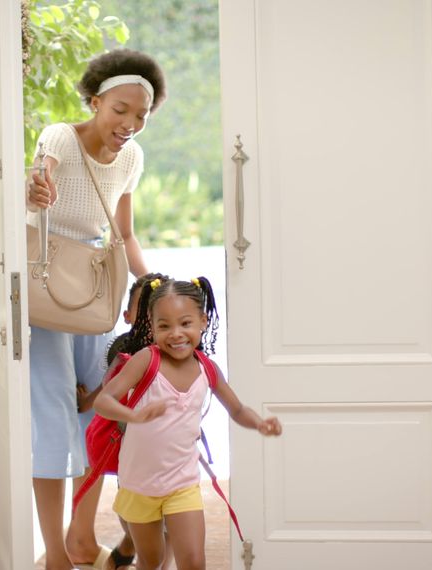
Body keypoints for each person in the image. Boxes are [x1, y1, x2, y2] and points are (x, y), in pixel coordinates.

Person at [25, 48, 167, 570]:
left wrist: (150, 285)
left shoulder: (131, 157)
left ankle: (82, 537)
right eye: (119, 110)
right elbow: (38, 187)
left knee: (94, 411)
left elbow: (123, 233)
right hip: (44, 283)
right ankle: (57, 555)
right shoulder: (61, 137)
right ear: (95, 100)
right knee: (51, 414)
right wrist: (36, 190)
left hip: (92, 289)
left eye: (140, 116)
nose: (129, 124)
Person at [93, 277, 283, 569]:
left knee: (194, 561)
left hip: (182, 484)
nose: (176, 334)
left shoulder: (207, 368)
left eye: (185, 323)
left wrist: (259, 424)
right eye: (164, 326)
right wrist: (132, 415)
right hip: (138, 484)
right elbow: (103, 401)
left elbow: (237, 409)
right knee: (152, 559)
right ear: (152, 327)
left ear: (203, 321)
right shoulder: (146, 360)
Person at [76, 272, 169, 570]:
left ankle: (156, 558)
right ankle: (131, 539)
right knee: (130, 505)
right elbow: (108, 386)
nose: (149, 319)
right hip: (128, 442)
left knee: (168, 511)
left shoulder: (176, 348)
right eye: (141, 311)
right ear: (127, 315)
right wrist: (85, 403)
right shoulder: (123, 350)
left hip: (167, 446)